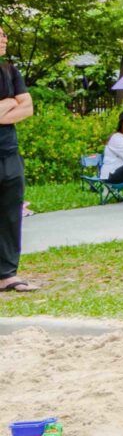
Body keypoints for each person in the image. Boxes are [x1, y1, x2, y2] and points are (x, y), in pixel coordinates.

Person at [0, 27, 35, 292]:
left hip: (10, 153)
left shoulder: (10, 71)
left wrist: (11, 104)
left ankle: (8, 274)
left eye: (5, 35)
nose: (4, 39)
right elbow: (17, 105)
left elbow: (28, 107)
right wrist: (11, 103)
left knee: (11, 213)